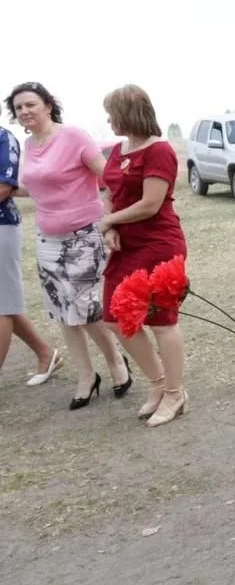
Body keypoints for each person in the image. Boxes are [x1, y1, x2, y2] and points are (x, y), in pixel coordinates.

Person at [5, 82, 130, 409]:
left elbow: (110, 178)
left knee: (84, 308)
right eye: (18, 108)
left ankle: (116, 362)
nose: (24, 111)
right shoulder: (29, 145)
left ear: (48, 105)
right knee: (63, 311)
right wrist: (10, 188)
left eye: (30, 104)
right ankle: (86, 375)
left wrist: (111, 219)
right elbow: (34, 188)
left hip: (84, 235)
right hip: (48, 239)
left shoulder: (73, 136)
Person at [98, 85, 190, 426]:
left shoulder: (159, 151)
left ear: (129, 114)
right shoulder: (116, 150)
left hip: (158, 244)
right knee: (114, 316)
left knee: (162, 321)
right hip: (126, 245)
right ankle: (158, 382)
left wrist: (110, 221)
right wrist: (109, 225)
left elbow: (151, 204)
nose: (109, 120)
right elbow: (109, 192)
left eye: (112, 114)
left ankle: (175, 393)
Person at [0, 122, 63, 385]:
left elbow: (4, 187)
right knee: (5, 301)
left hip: (2, 226)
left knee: (2, 305)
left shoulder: (3, 138)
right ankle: (46, 353)